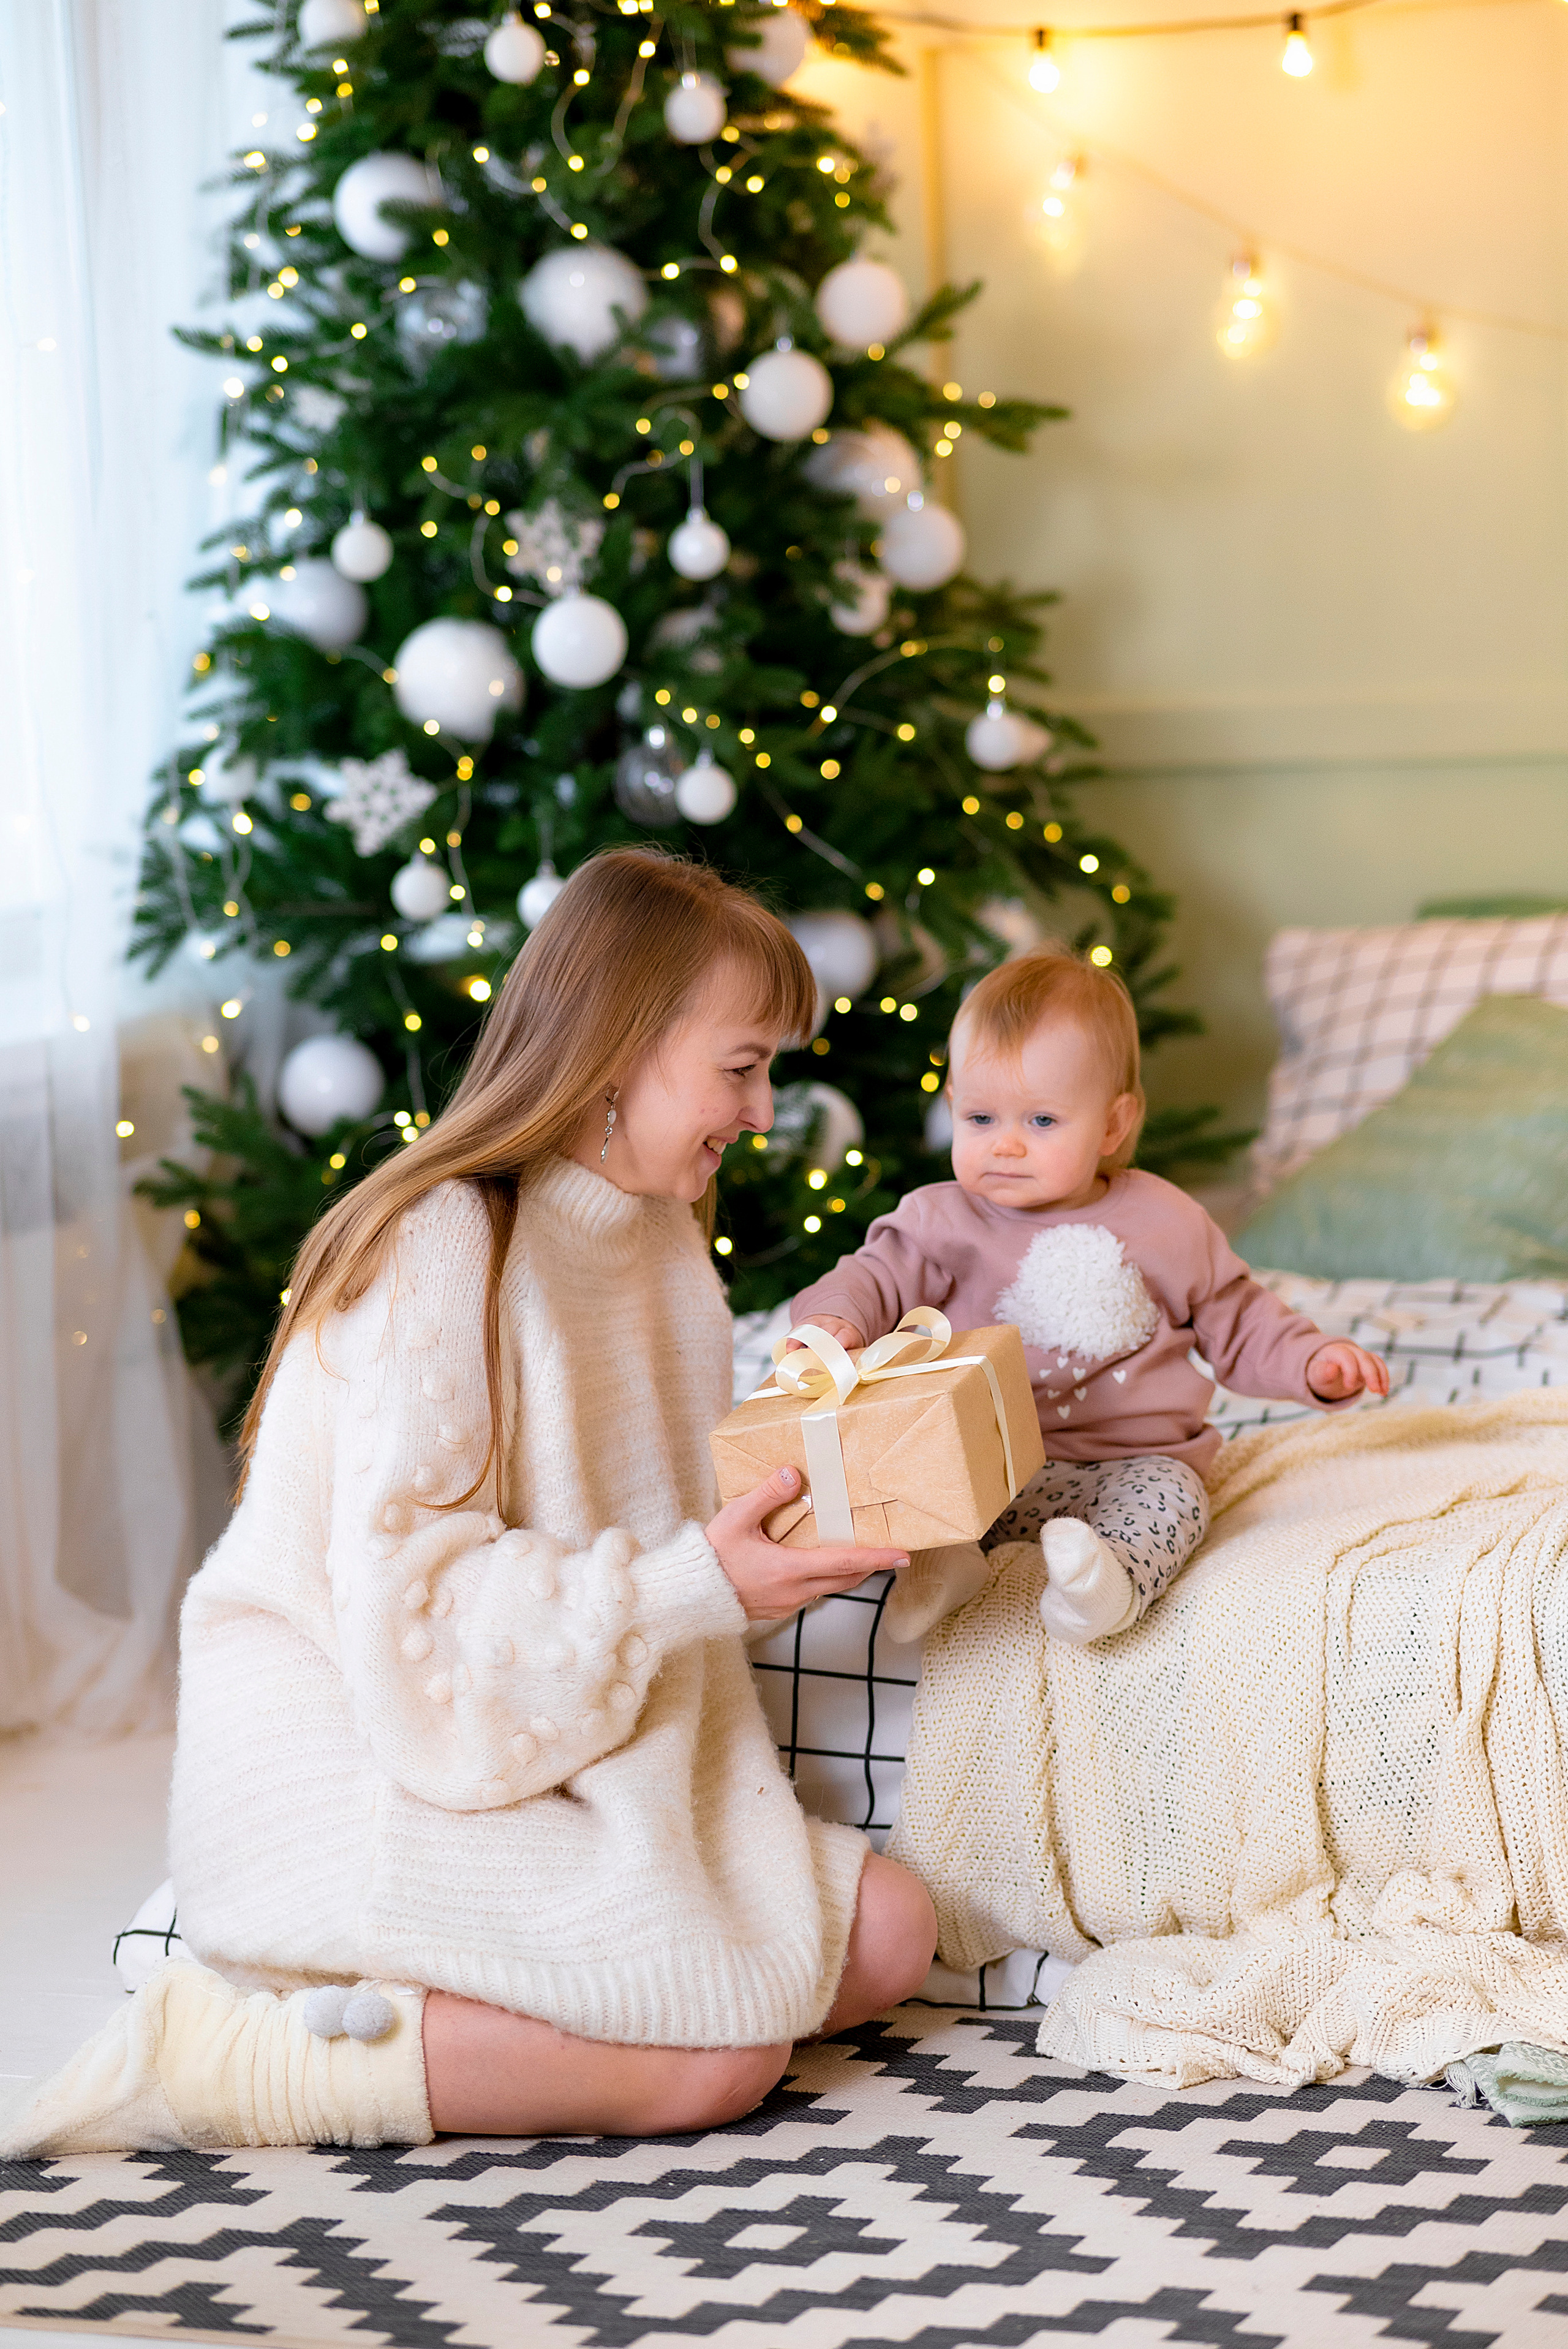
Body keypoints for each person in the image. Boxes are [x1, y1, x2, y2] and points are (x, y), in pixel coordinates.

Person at [3, 849, 936, 2160]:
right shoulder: (446, 1241)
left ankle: (430, 2006)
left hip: (561, 1726)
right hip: (383, 1757)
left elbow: (632, 1511)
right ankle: (221, 2056)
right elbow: (420, 1624)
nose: (765, 1112)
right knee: (716, 2061)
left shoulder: (659, 1237)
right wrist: (695, 1585)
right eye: (740, 1067)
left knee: (892, 1930)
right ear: (616, 1051)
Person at [789, 947, 1389, 1647]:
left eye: (1041, 1122)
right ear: (952, 1106)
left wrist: (1314, 1362)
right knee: (909, 1476)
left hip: (1131, 1462)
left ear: (1111, 1124)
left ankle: (1105, 1587)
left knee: (1173, 1505)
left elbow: (1242, 1320)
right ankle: (942, 1568)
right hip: (993, 1464)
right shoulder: (939, 1221)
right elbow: (872, 1275)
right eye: (981, 1120)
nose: (1005, 1146)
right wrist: (833, 1320)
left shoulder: (1165, 1222)